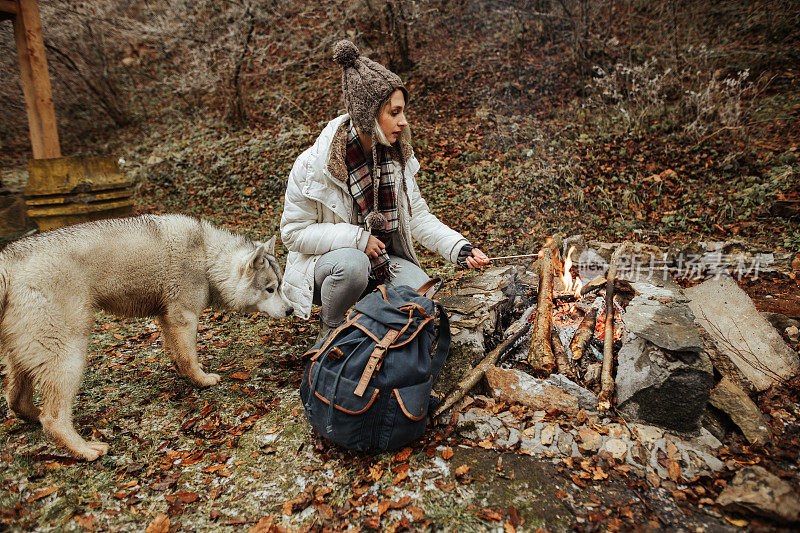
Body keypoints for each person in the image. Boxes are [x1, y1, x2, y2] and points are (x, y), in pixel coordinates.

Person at [280, 40, 489, 337]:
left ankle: (372, 327)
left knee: (424, 302)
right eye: (394, 112)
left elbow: (417, 216)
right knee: (353, 264)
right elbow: (293, 233)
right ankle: (330, 329)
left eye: (403, 112)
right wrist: (356, 239)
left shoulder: (396, 157)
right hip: (328, 271)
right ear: (369, 114)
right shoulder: (315, 165)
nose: (403, 122)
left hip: (383, 263)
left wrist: (458, 247)